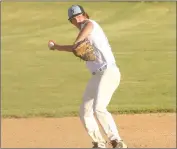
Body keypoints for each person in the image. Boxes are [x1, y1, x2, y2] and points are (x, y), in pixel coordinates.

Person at [48, 5, 128, 148]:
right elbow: (75, 46)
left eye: (79, 16)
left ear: (85, 15)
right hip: (97, 76)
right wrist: (57, 47)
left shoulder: (91, 24)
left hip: (108, 72)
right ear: (71, 22)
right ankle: (99, 143)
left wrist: (73, 44)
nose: (77, 20)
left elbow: (77, 43)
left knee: (99, 107)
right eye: (73, 19)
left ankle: (117, 141)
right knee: (85, 110)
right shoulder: (83, 32)